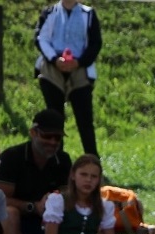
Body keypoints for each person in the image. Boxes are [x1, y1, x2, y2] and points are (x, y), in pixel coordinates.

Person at [0, 109, 72, 234]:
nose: (52, 142)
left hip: (51, 223)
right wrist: (32, 206)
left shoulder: (63, 160)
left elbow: (69, 194)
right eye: (46, 136)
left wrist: (54, 198)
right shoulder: (12, 157)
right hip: (17, 224)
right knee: (10, 213)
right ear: (33, 133)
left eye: (57, 137)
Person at [34, 0, 102, 157]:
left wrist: (79, 62)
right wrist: (55, 59)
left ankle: (92, 162)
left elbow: (95, 43)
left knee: (85, 119)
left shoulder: (88, 14)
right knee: (55, 119)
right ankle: (57, 160)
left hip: (79, 69)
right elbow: (40, 38)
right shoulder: (49, 13)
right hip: (53, 69)